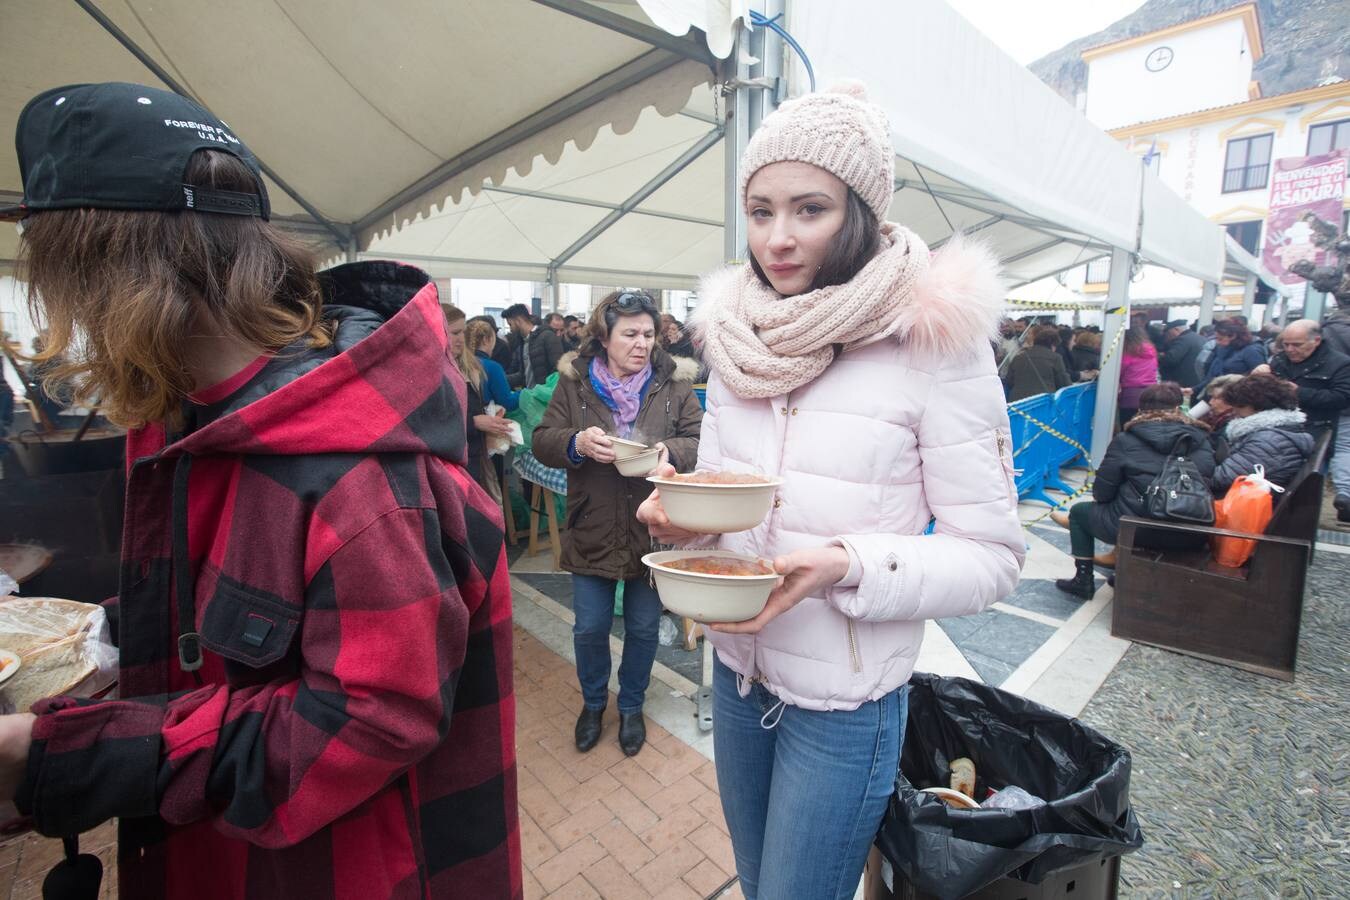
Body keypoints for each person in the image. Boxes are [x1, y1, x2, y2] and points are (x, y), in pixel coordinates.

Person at [0, 83, 519, 899]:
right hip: (217, 858)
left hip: (335, 874)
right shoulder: (185, 416)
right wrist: (96, 653)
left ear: (109, 270)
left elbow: (373, 721)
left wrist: (74, 758)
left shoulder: (358, 471)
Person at [636, 83, 1024, 900]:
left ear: (862, 211)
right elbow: (727, 501)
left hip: (847, 703)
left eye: (809, 209)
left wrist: (848, 564)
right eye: (760, 209)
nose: (777, 239)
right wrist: (685, 522)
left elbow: (992, 559)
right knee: (756, 883)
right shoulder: (735, 334)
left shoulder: (934, 338)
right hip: (739, 676)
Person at [533, 290, 702, 757]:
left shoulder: (674, 385)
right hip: (592, 522)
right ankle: (592, 705)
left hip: (653, 527)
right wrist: (578, 442)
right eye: (629, 333)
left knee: (645, 628)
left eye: (648, 333)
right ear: (604, 337)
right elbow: (542, 440)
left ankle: (630, 706)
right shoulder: (575, 383)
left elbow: (697, 438)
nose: (642, 343)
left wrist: (670, 453)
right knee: (589, 627)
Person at [1050, 383, 1214, 597]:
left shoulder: (1127, 439)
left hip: (1136, 529)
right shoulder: (1201, 439)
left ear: (1141, 409)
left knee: (1080, 513)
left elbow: (1102, 492)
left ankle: (1083, 580)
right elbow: (1209, 479)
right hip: (1192, 530)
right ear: (1177, 408)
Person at [1261, 319, 1350, 521]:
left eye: (1297, 345)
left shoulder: (1340, 363)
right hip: (1279, 433)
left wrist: (1300, 392)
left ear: (1316, 341)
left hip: (1317, 433)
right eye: (1286, 344)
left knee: (1306, 494)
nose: (1290, 349)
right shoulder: (1279, 360)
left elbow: (1342, 398)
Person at [445, 306, 515, 492]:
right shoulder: (436, 371)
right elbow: (429, 420)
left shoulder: (466, 365)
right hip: (455, 461)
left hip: (471, 455)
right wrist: (474, 421)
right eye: (455, 332)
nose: (461, 339)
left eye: (463, 332)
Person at [1211, 374, 1315, 495]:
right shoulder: (1280, 431)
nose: (1235, 411)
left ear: (1258, 406)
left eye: (1240, 406)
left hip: (1246, 502)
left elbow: (1220, 478)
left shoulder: (1270, 441)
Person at [1003, 324, 1071, 401]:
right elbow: (1063, 383)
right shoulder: (1055, 358)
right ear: (1052, 345)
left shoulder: (1019, 357)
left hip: (1018, 402)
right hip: (1042, 401)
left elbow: (1009, 381)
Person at [467, 318, 521, 412]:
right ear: (485, 340)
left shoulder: (461, 363)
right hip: (488, 422)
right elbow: (507, 403)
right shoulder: (492, 367)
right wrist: (524, 393)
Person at [503, 303, 562, 389]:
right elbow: (524, 374)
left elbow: (558, 371)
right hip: (532, 397)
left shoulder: (548, 337)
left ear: (518, 320)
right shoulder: (524, 341)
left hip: (544, 398)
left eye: (510, 324)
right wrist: (501, 379)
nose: (510, 329)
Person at [1118, 323, 1159, 425]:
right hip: (1151, 394)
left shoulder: (1128, 351)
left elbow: (1119, 371)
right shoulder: (1151, 350)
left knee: (1128, 426)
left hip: (1131, 395)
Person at [1158, 319, 1203, 388]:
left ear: (1176, 329)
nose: (1168, 336)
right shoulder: (1199, 337)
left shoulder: (1182, 339)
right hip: (1196, 380)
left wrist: (1160, 356)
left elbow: (1171, 359)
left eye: (1168, 333)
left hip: (1183, 381)